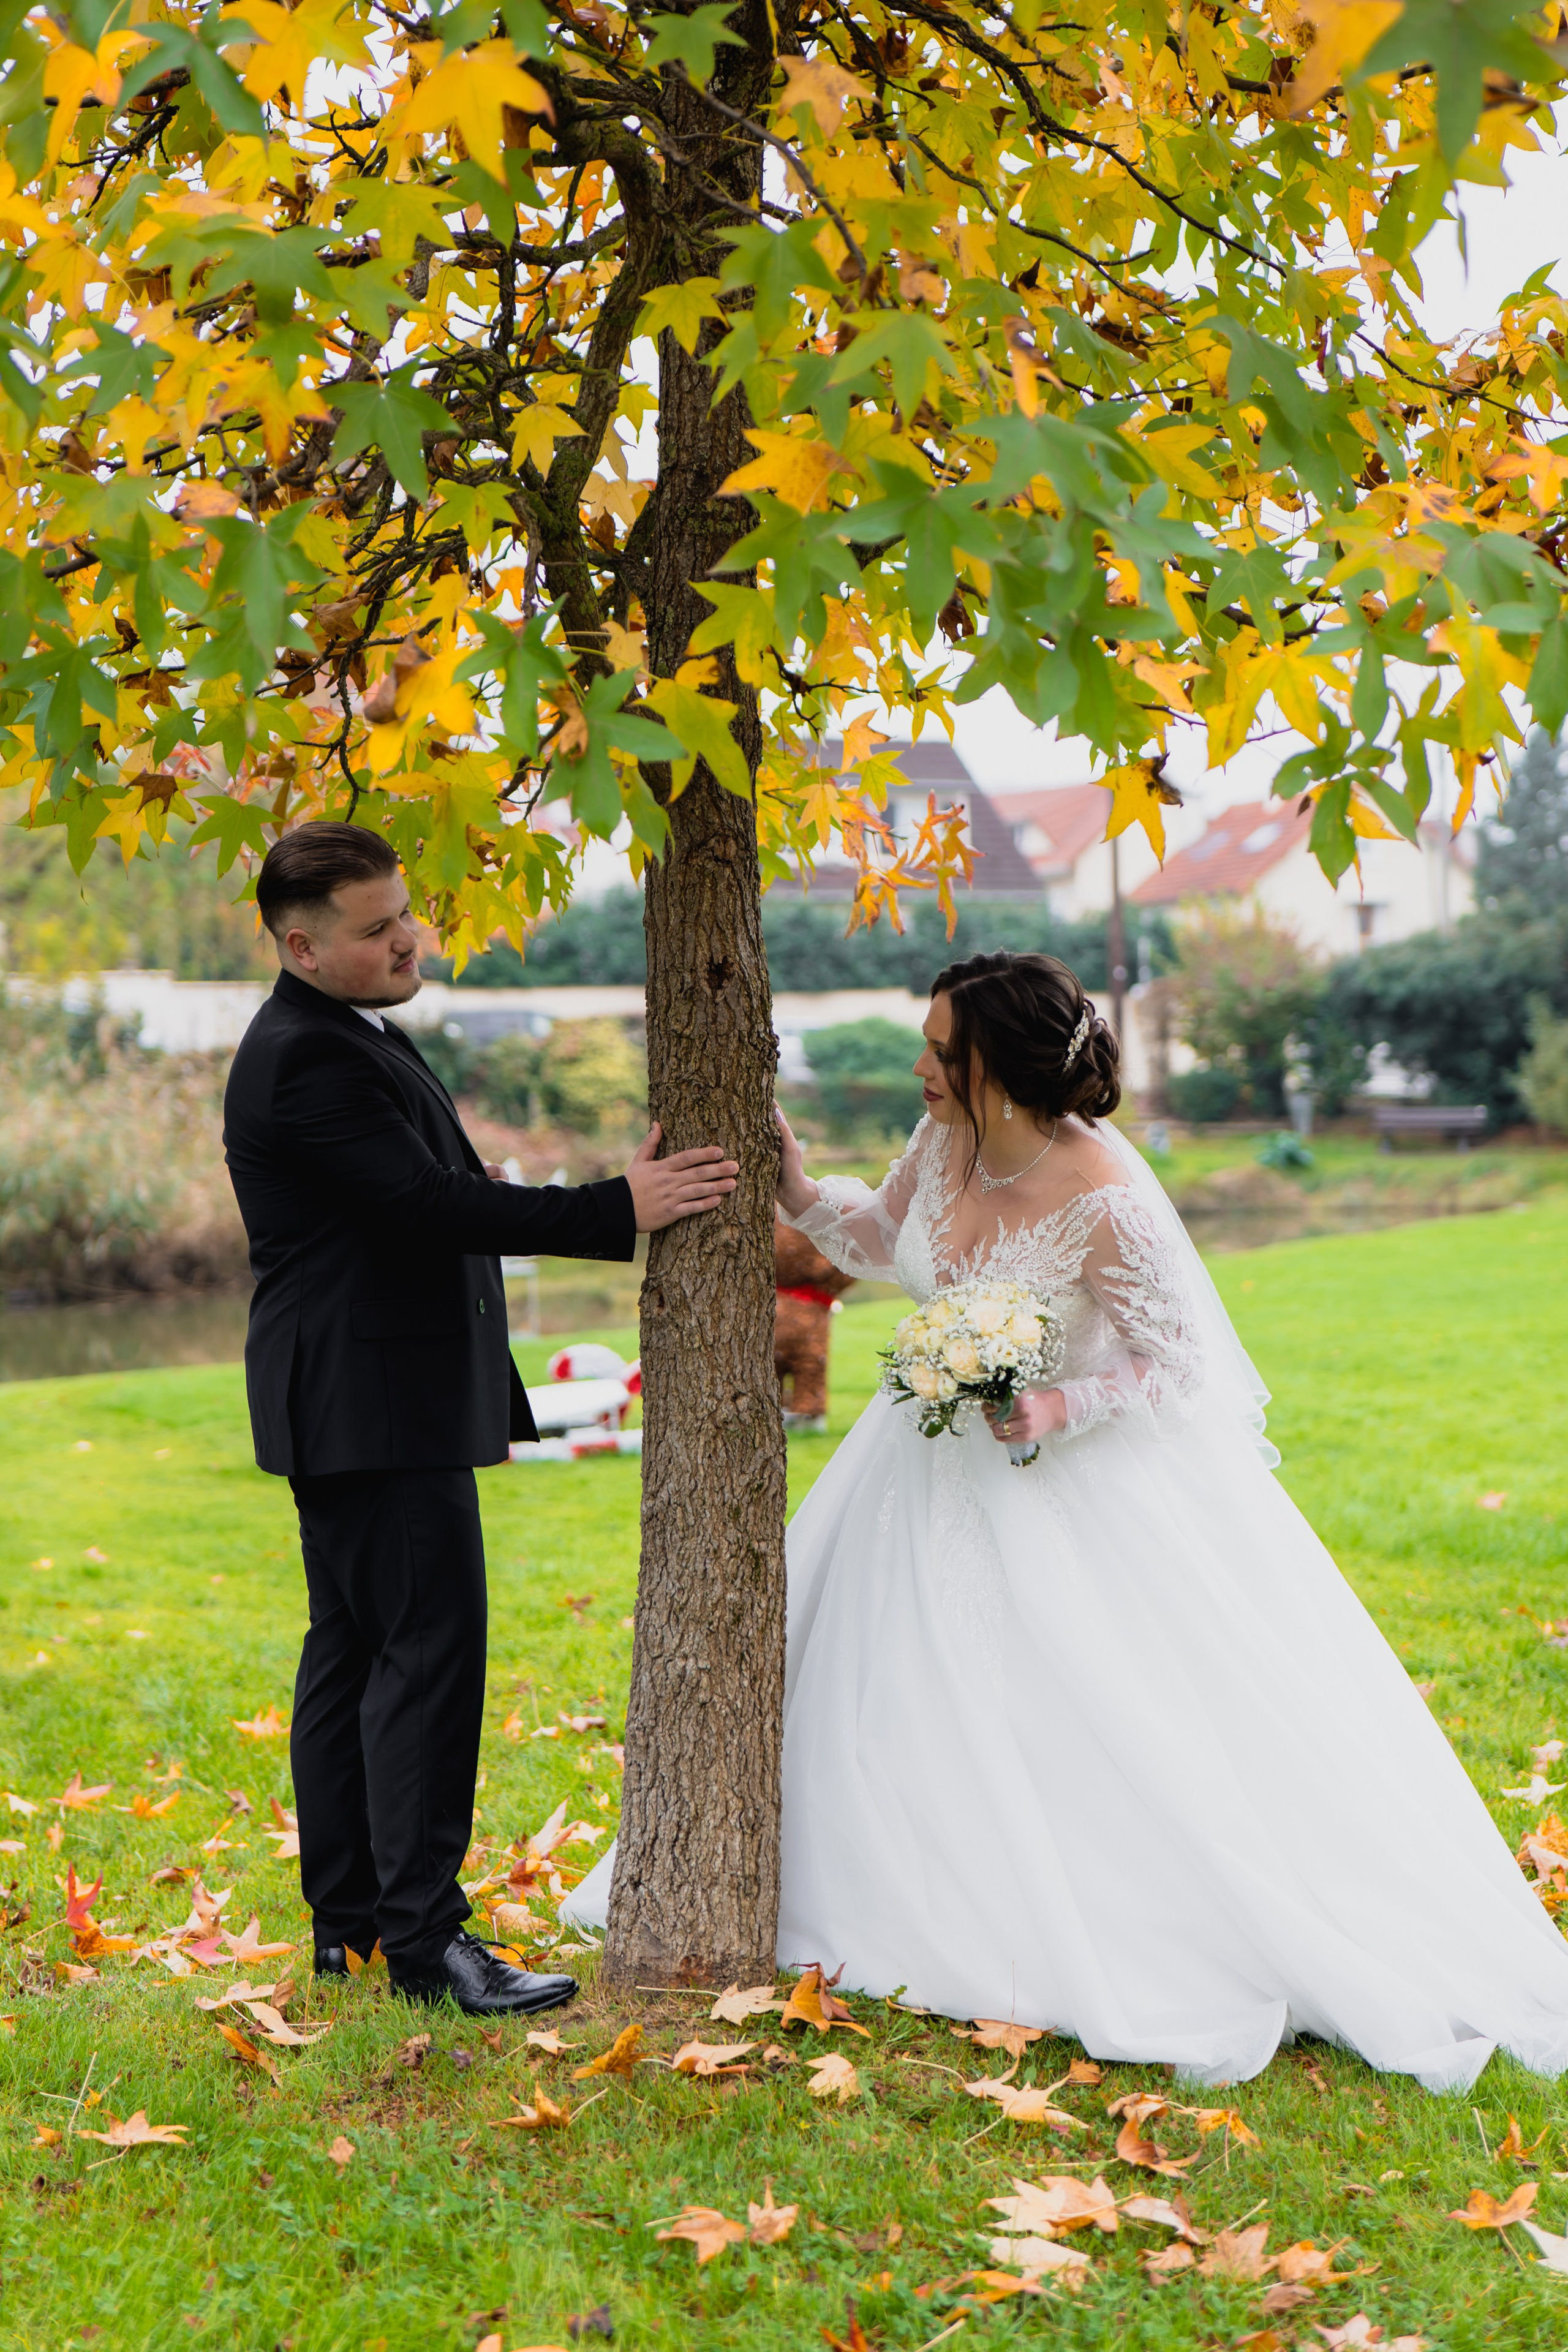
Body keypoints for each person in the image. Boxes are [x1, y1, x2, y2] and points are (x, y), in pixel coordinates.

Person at [568, 949, 1568, 2088]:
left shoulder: (1105, 1194)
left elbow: (1183, 1369)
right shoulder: (940, 1143)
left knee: (1087, 1706)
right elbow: (881, 1238)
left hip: (1071, 1489)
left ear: (997, 1064)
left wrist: (1059, 1399)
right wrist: (801, 1192)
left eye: (942, 1050)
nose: (921, 1067)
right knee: (876, 1683)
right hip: (918, 1477)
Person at [223, 822, 737, 2019]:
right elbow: (421, 1205)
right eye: (376, 927)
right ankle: (423, 1942)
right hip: (373, 1403)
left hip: (357, 1396)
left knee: (353, 1657)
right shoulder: (309, 1056)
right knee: (421, 1662)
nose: (409, 937)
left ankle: (350, 1929)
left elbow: (414, 1197)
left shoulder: (335, 1032)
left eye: (406, 913)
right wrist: (623, 1205)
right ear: (300, 945)